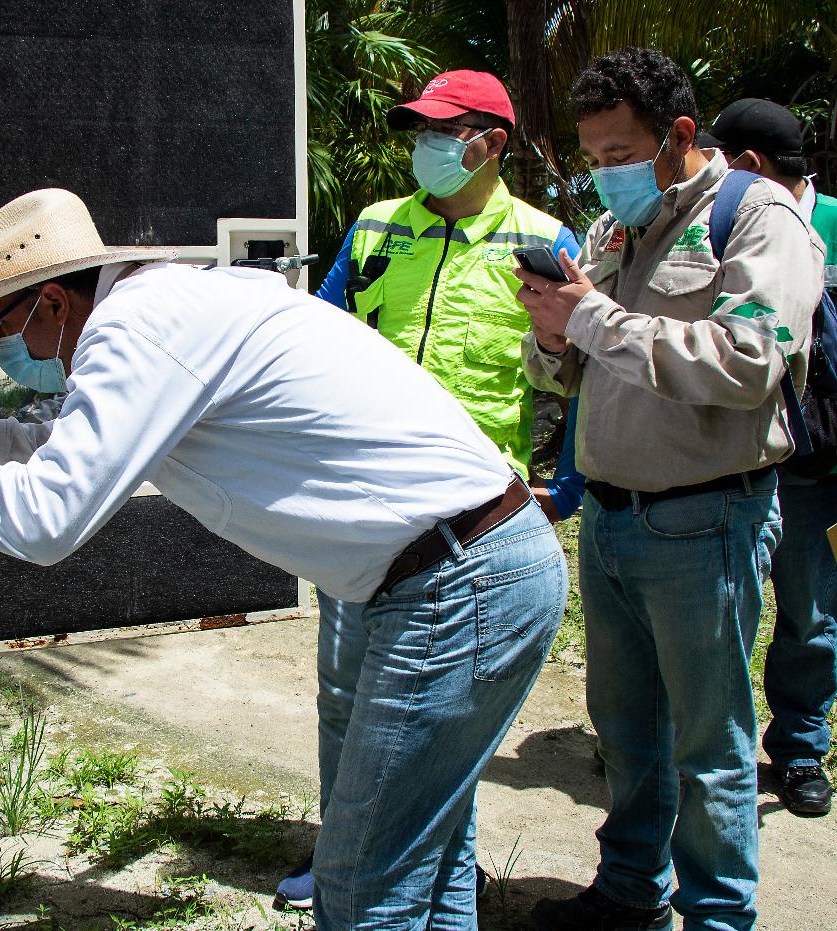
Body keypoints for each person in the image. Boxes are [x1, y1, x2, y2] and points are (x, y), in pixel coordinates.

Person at [0, 188, 567, 929]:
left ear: (53, 305)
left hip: (458, 581)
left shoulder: (134, 328)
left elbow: (47, 518)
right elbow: (73, 446)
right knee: (429, 858)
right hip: (474, 560)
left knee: (361, 883)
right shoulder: (165, 310)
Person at [515, 49, 823, 931]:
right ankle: (629, 893)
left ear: (680, 135)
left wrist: (594, 318)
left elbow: (748, 361)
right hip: (612, 520)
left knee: (708, 742)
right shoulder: (616, 231)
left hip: (706, 518)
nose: (604, 175)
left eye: (619, 154)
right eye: (593, 157)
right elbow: (580, 370)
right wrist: (554, 332)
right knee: (625, 730)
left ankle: (718, 915)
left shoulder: (758, 219)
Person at [276, 69, 587, 913]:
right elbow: (317, 334)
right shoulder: (379, 226)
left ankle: (435, 867)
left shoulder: (545, 239)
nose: (426, 146)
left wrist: (572, 484)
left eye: (443, 131)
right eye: (419, 130)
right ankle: (348, 848)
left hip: (473, 523)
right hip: (362, 512)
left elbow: (581, 372)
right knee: (346, 697)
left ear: (493, 142)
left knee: (441, 715)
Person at [699, 97, 836, 817]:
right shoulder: (716, 222)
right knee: (726, 613)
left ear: (747, 165)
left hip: (818, 464)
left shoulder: (830, 223)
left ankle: (801, 748)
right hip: (737, 453)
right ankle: (705, 747)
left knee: (812, 613)